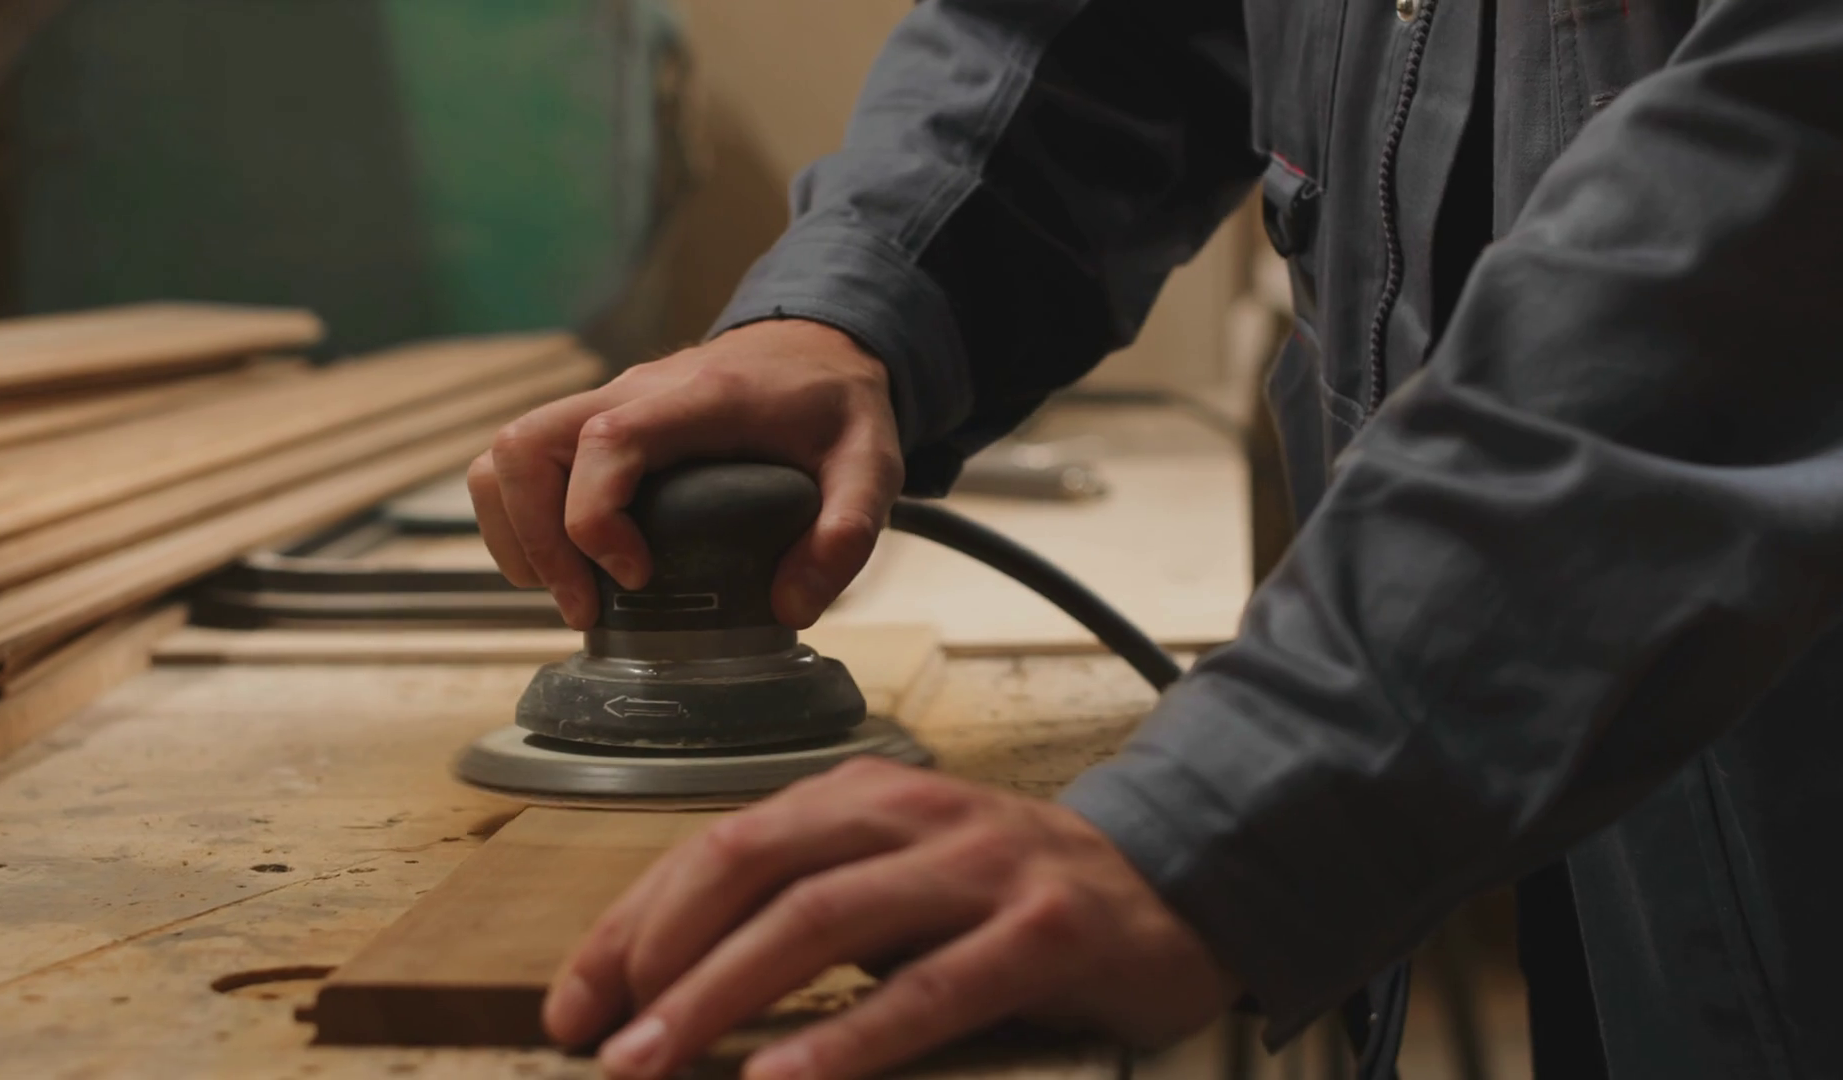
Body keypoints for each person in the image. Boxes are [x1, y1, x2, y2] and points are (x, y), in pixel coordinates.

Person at [466, 0, 1843, 1075]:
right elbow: (1105, 35)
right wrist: (850, 309)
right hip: (1603, 789)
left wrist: (1226, 817)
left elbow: (1778, 213)